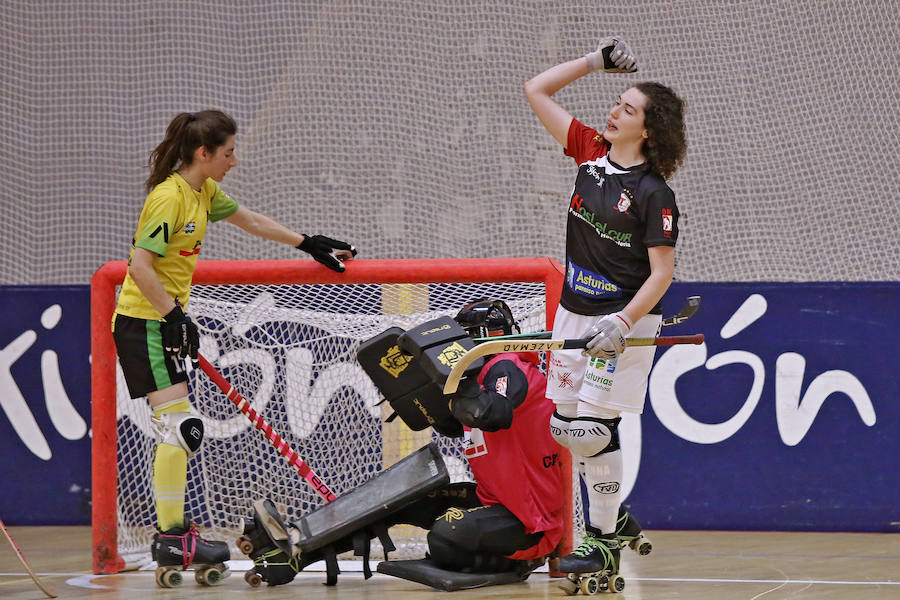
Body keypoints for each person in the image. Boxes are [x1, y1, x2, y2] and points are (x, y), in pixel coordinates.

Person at [111, 109, 357, 585]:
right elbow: (141, 265)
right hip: (144, 323)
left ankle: (172, 538)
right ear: (203, 154)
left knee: (180, 428)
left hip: (160, 321)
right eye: (228, 153)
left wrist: (307, 242)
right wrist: (173, 316)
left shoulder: (202, 191)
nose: (234, 160)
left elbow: (250, 219)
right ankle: (172, 537)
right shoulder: (168, 198)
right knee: (179, 427)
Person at [524, 36, 687, 582]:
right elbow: (535, 89)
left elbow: (662, 273)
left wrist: (621, 324)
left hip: (625, 319)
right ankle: (612, 521)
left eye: (629, 108)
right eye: (616, 102)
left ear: (649, 130)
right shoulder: (590, 152)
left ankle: (599, 542)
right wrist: (594, 62)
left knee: (593, 427)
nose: (615, 111)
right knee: (569, 426)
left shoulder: (654, 193)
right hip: (574, 311)